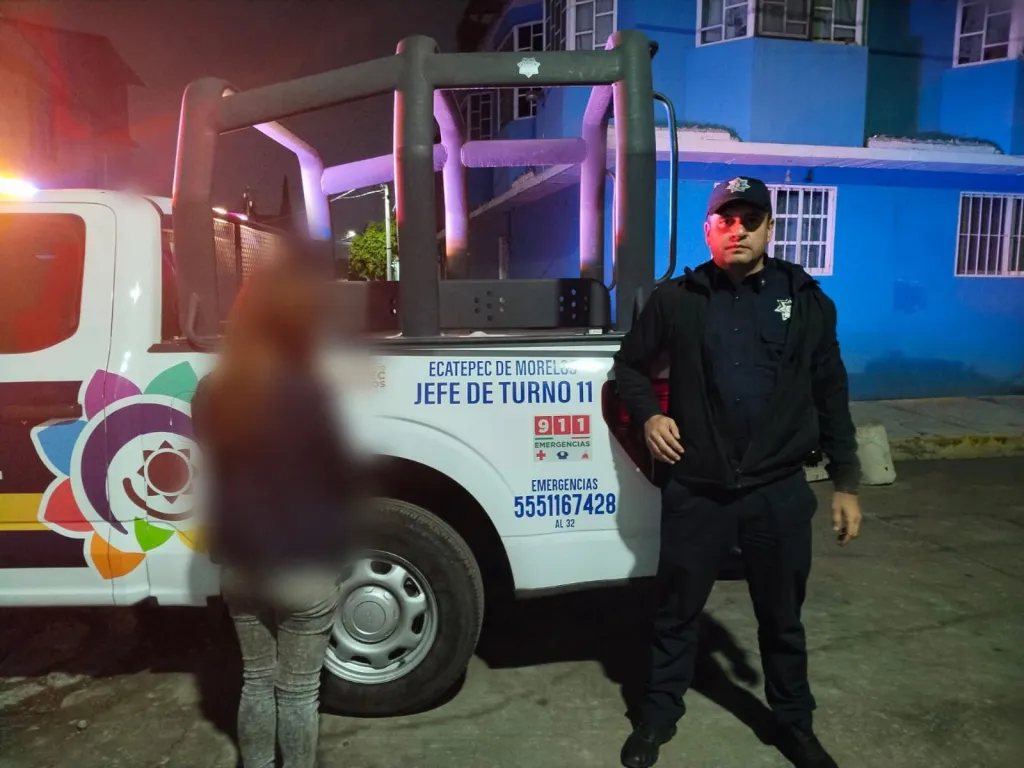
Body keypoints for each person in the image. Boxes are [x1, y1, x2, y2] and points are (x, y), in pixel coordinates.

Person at [613, 176, 862, 768]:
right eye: (726, 220)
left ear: (770, 229)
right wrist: (649, 416)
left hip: (778, 490)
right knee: (676, 611)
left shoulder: (806, 301)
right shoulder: (677, 300)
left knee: (782, 619)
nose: (738, 230)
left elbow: (830, 391)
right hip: (698, 490)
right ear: (708, 230)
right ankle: (658, 715)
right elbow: (629, 368)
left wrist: (846, 482)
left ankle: (794, 725)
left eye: (751, 220)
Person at [191, 253, 361, 768]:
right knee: (298, 691)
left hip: (242, 564)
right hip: (301, 564)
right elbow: (336, 475)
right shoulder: (308, 390)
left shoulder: (214, 389)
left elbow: (215, 456)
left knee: (256, 680)